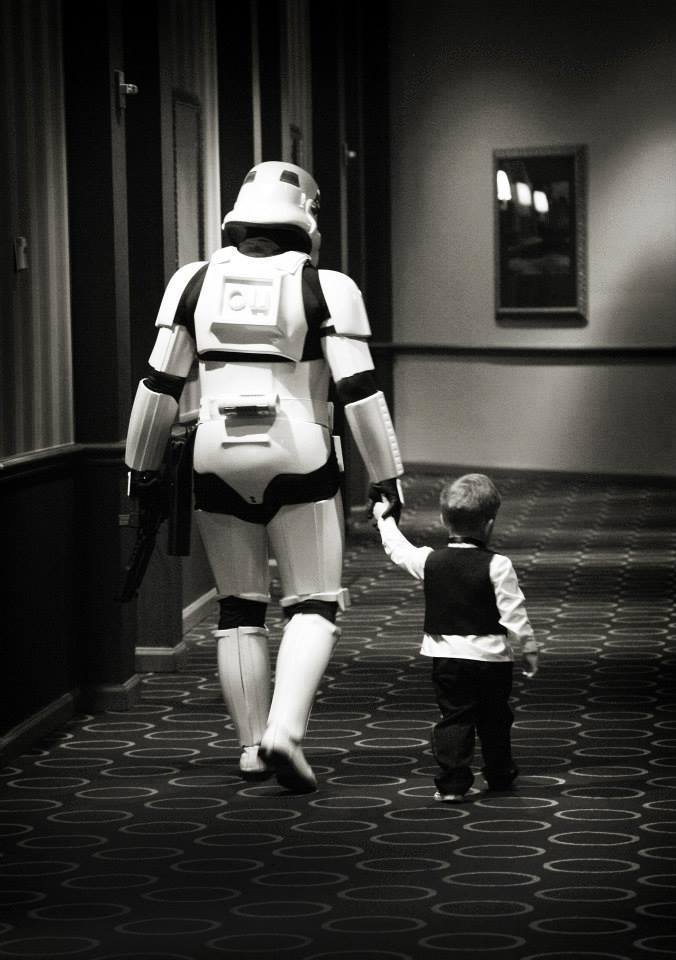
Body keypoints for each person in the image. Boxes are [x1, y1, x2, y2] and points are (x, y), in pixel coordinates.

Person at [125, 161, 404, 793]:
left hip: (214, 452)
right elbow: (358, 389)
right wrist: (387, 476)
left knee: (238, 605)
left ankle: (251, 747)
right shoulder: (327, 286)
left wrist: (138, 469)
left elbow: (159, 384)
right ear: (307, 219)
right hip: (299, 449)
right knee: (312, 601)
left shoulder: (192, 282)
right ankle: (284, 730)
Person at [372, 473, 538, 802]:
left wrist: (383, 518)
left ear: (443, 519)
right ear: (489, 524)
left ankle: (452, 785)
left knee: (455, 718)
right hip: (493, 659)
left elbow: (398, 549)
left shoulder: (429, 560)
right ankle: (500, 774)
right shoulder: (499, 564)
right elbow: (513, 610)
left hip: (448, 658)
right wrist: (528, 644)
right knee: (495, 718)